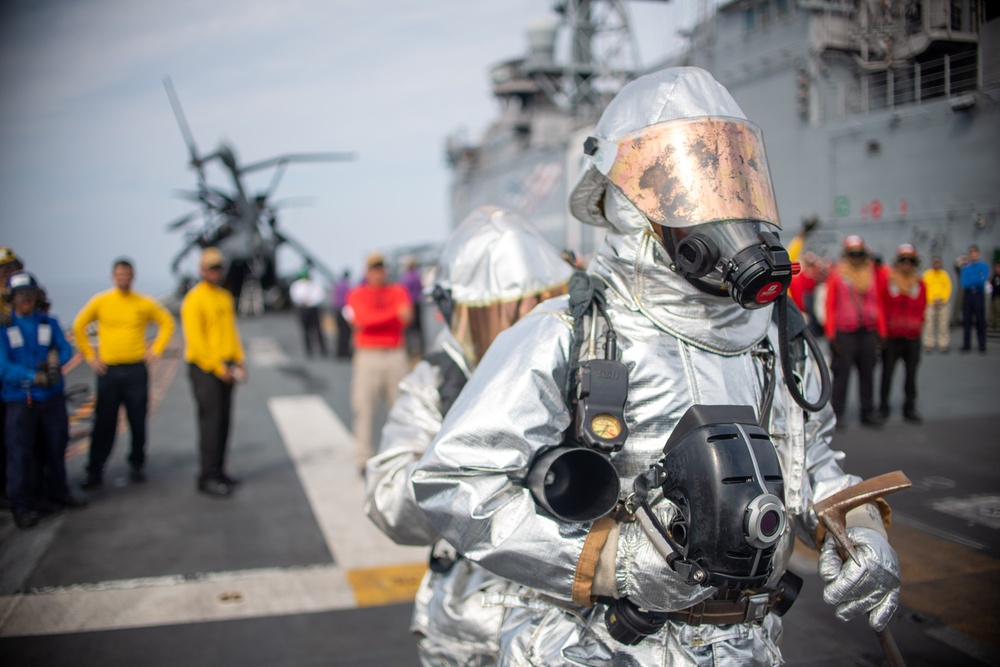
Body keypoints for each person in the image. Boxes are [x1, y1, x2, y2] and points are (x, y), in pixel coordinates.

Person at [411, 67, 900, 665]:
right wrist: (613, 563)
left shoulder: (772, 332)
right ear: (629, 203)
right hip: (594, 647)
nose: (717, 200)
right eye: (689, 178)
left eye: (727, 172)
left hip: (748, 645)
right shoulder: (570, 329)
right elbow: (455, 482)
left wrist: (857, 527)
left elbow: (809, 466)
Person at [365, 205, 572, 666]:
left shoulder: (592, 372)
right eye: (500, 313)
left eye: (542, 302)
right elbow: (386, 499)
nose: (522, 325)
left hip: (571, 630)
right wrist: (470, 464)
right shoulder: (439, 381)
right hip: (473, 624)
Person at [74, 258, 175, 488]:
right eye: (119, 275)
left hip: (135, 370)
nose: (123, 278)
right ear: (113, 276)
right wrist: (90, 356)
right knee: (104, 422)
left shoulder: (143, 302)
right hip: (109, 371)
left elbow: (166, 321)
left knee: (137, 420)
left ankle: (137, 464)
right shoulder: (101, 301)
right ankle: (95, 469)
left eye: (127, 275)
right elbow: (80, 325)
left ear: (133, 276)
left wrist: (156, 350)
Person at [0, 271, 86, 528]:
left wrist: (53, 366)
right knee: (21, 454)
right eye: (20, 296)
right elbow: (3, 366)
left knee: (56, 447)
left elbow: (65, 349)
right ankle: (22, 506)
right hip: (21, 400)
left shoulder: (49, 323)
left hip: (52, 398)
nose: (26, 300)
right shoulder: (5, 328)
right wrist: (31, 377)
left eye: (30, 295)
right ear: (11, 298)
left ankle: (59, 494)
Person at [181, 247, 247, 497]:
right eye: (211, 267)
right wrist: (219, 368)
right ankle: (207, 476)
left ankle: (220, 471)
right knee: (211, 423)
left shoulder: (224, 297)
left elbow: (232, 332)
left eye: (218, 267)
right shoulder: (195, 299)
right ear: (201, 270)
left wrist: (240, 360)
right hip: (205, 369)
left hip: (226, 366)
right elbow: (196, 343)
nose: (215, 272)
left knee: (224, 422)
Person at [344, 252, 412, 470]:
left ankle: (402, 454)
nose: (378, 272)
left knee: (401, 408)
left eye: (381, 268)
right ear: (367, 272)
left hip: (395, 353)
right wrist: (391, 316)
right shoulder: (357, 294)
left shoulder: (398, 290)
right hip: (368, 355)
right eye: (374, 268)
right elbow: (361, 320)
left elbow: (407, 317)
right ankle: (363, 459)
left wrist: (375, 320)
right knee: (364, 409)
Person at [825, 235, 887, 428]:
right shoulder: (837, 275)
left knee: (867, 374)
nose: (857, 257)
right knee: (842, 375)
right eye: (853, 254)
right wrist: (831, 335)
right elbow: (830, 305)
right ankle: (837, 413)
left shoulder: (872, 274)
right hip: (845, 333)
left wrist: (882, 331)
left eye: (860, 253)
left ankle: (867, 412)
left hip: (867, 331)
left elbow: (879, 302)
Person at [878, 244, 926, 423]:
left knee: (911, 374)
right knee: (887, 372)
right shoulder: (889, 282)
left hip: (912, 336)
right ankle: (883, 407)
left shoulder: (919, 284)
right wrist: (883, 332)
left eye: (910, 260)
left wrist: (917, 324)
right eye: (903, 260)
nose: (907, 264)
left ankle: (910, 407)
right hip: (892, 336)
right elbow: (881, 306)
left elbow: (922, 307)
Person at [0, 247, 25, 509]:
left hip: (22, 386)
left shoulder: (23, 299)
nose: (7, 274)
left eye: (11, 269)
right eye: (3, 270)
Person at [289, 267, 328, 358]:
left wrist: (311, 301)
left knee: (318, 329)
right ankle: (309, 350)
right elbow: (295, 296)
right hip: (303, 309)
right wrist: (304, 301)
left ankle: (323, 350)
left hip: (313, 309)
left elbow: (320, 295)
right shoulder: (297, 285)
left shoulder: (314, 285)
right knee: (305, 330)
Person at [959, 244, 989, 353]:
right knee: (966, 320)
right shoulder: (965, 267)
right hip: (968, 295)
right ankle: (966, 344)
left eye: (975, 253)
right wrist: (974, 281)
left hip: (978, 294)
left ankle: (982, 344)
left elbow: (982, 280)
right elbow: (964, 283)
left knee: (980, 320)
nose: (973, 255)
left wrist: (972, 281)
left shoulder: (984, 266)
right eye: (971, 253)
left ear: (978, 254)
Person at [921, 255, 952, 353]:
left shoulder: (945, 275)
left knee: (943, 324)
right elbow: (923, 288)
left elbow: (948, 288)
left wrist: (942, 299)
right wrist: (931, 299)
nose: (936, 264)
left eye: (938, 262)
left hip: (943, 303)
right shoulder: (926, 275)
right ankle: (928, 344)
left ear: (941, 264)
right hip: (930, 303)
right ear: (932, 263)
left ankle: (943, 345)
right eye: (935, 262)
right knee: (929, 324)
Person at [400, 257, 425, 357]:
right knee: (419, 328)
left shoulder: (406, 277)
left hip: (410, 304)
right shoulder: (417, 276)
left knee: (409, 329)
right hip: (418, 303)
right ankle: (421, 348)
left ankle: (410, 350)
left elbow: (403, 291)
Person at [331, 270, 353, 359]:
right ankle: (346, 351)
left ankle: (340, 351)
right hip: (345, 310)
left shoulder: (337, 285)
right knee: (346, 332)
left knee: (340, 332)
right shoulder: (347, 286)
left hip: (337, 310)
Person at [990, 261, 1000, 330]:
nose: (997, 269)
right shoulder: (994, 276)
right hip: (994, 296)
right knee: (993, 310)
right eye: (996, 267)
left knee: (998, 310)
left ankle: (998, 324)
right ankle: (992, 324)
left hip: (998, 296)